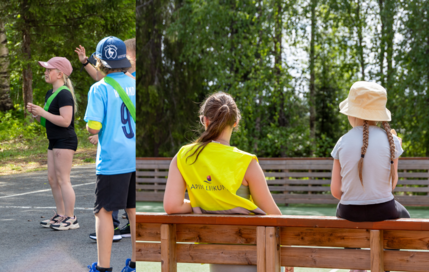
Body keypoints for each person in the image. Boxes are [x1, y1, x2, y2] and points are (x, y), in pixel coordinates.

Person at [162, 92, 286, 272]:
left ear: (205, 120)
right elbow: (273, 215)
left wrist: (199, 203)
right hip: (255, 258)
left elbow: (172, 206)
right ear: (235, 122)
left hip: (216, 258)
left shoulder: (184, 156)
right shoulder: (246, 162)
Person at [84, 36, 136, 272]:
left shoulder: (99, 88)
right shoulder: (135, 83)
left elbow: (94, 127)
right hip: (136, 157)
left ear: (99, 62)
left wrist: (90, 127)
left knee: (104, 211)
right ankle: (135, 264)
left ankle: (103, 267)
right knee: (134, 210)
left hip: (113, 159)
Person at [331, 82, 408, 222]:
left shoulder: (342, 142)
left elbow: (336, 191)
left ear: (351, 113)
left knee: (340, 210)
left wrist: (355, 200)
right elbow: (391, 186)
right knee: (405, 216)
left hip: (349, 212)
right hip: (384, 210)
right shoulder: (392, 141)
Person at [25, 56, 79, 231]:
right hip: (54, 139)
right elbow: (47, 121)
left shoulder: (64, 94)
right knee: (52, 179)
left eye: (49, 70)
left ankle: (71, 218)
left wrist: (43, 112)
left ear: (60, 74)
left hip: (65, 139)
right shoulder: (51, 93)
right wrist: (37, 114)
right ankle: (61, 214)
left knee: (63, 179)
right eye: (46, 70)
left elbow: (65, 121)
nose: (46, 73)